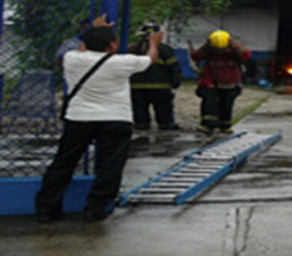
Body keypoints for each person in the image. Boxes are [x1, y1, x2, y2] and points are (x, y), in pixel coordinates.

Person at [35, 15, 162, 223]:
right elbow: (151, 59)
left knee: (63, 163)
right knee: (110, 166)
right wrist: (153, 43)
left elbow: (84, 48)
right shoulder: (123, 62)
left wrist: (94, 31)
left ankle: (47, 210)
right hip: (115, 119)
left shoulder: (72, 58)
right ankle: (96, 209)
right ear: (112, 45)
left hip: (78, 118)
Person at [189, 29, 251, 135]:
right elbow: (196, 57)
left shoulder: (234, 49)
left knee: (227, 103)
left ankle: (225, 126)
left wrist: (235, 45)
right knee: (209, 102)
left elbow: (246, 56)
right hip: (210, 80)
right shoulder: (208, 48)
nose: (219, 52)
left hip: (230, 81)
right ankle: (207, 125)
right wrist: (206, 47)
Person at [129, 23, 182, 131]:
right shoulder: (164, 49)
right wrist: (176, 80)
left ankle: (141, 124)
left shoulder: (133, 49)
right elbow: (173, 67)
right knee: (163, 107)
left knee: (139, 107)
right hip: (160, 86)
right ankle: (165, 124)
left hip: (136, 86)